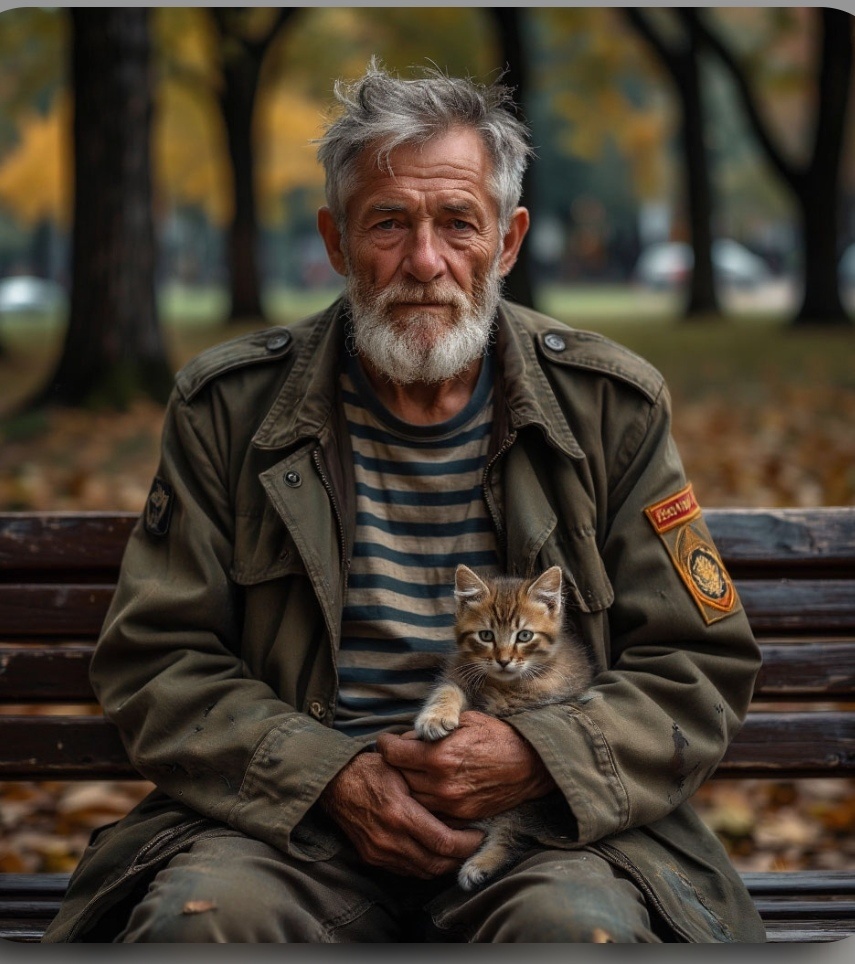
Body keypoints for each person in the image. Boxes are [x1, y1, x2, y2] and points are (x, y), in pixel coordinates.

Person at [42, 60, 766, 944]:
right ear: (337, 241)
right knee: (203, 925)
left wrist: (538, 756)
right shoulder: (227, 407)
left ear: (505, 241)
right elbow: (155, 659)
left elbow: (696, 664)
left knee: (576, 932)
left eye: (458, 222)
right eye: (389, 223)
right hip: (284, 828)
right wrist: (328, 776)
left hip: (546, 833)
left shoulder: (609, 404)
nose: (425, 262)